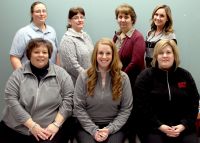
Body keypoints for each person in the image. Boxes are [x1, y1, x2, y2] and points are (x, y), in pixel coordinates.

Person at [0, 38, 74, 143]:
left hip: (48, 129)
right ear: (29, 54)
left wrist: (56, 124)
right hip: (16, 128)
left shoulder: (61, 74)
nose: (41, 55)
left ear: (49, 55)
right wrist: (32, 125)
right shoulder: (18, 74)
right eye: (36, 52)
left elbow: (68, 99)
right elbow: (11, 99)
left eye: (44, 52)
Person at [134, 39, 199, 143]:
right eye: (161, 53)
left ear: (174, 55)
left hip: (183, 128)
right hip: (153, 128)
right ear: (156, 56)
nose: (165, 56)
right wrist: (160, 126)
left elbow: (194, 103)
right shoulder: (145, 77)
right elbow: (142, 107)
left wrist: (183, 125)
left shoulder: (185, 75)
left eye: (168, 52)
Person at [73, 38, 133, 143]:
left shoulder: (123, 78)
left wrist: (110, 129)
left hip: (115, 127)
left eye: (108, 53)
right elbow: (78, 107)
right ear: (95, 55)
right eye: (100, 53)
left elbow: (126, 109)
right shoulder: (83, 76)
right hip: (86, 126)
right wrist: (93, 130)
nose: (104, 57)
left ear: (113, 55)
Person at [113, 4, 145, 142]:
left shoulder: (137, 37)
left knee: (131, 112)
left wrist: (121, 76)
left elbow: (136, 62)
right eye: (120, 16)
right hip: (118, 80)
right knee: (121, 110)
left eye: (126, 17)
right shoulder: (117, 36)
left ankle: (132, 138)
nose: (123, 19)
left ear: (133, 19)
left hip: (132, 81)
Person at [10, 1, 59, 70]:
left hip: (50, 77)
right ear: (32, 14)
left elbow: (57, 53)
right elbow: (14, 57)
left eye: (44, 11)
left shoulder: (52, 31)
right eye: (38, 11)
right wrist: (22, 76)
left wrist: (56, 72)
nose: (41, 14)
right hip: (30, 77)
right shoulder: (23, 33)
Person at [60, 6, 93, 85]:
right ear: (69, 21)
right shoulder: (67, 40)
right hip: (76, 84)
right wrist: (89, 78)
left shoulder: (86, 36)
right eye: (76, 18)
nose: (80, 20)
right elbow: (73, 66)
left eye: (81, 17)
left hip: (90, 82)